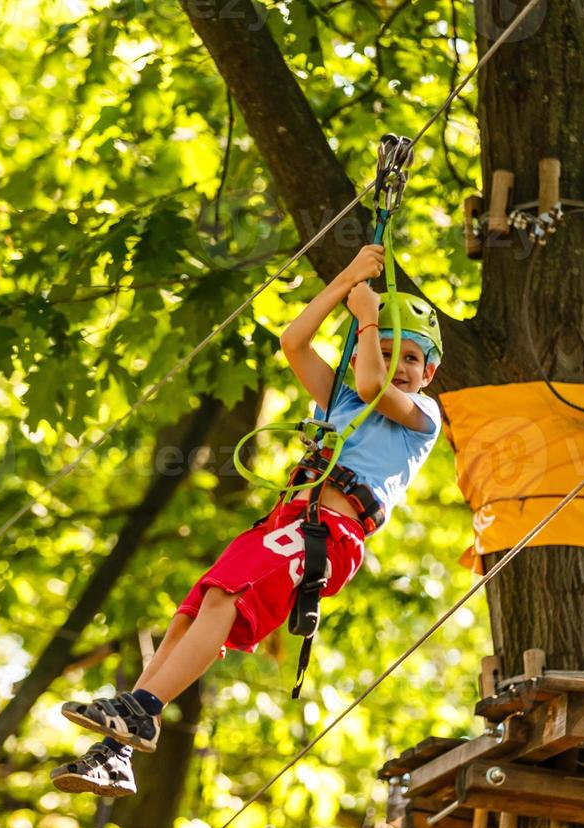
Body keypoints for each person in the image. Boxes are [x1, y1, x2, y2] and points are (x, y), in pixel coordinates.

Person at [51, 244, 443, 796]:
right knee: (193, 613)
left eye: (410, 357)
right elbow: (293, 342)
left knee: (222, 602)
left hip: (329, 533)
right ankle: (117, 751)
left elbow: (379, 387)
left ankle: (140, 709)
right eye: (382, 351)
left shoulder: (421, 416)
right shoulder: (338, 399)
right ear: (356, 357)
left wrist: (370, 317)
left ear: (428, 372)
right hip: (288, 521)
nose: (397, 365)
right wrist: (346, 281)